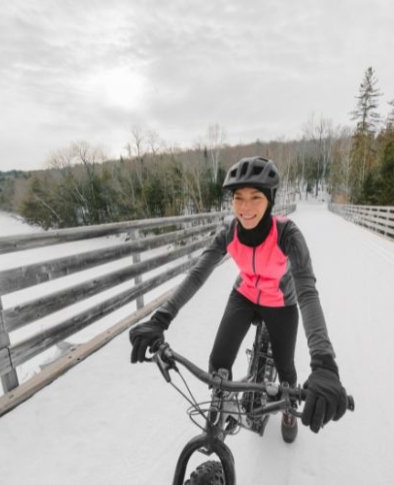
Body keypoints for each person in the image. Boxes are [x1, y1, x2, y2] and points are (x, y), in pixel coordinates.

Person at [129, 156, 348, 443]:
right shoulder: (229, 233)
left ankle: (287, 411)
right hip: (244, 294)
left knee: (286, 372)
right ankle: (221, 409)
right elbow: (197, 274)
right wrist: (161, 318)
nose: (245, 208)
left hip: (281, 301)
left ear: (270, 199)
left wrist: (324, 363)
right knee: (218, 362)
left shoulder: (288, 234)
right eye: (238, 198)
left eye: (255, 197)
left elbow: (307, 292)